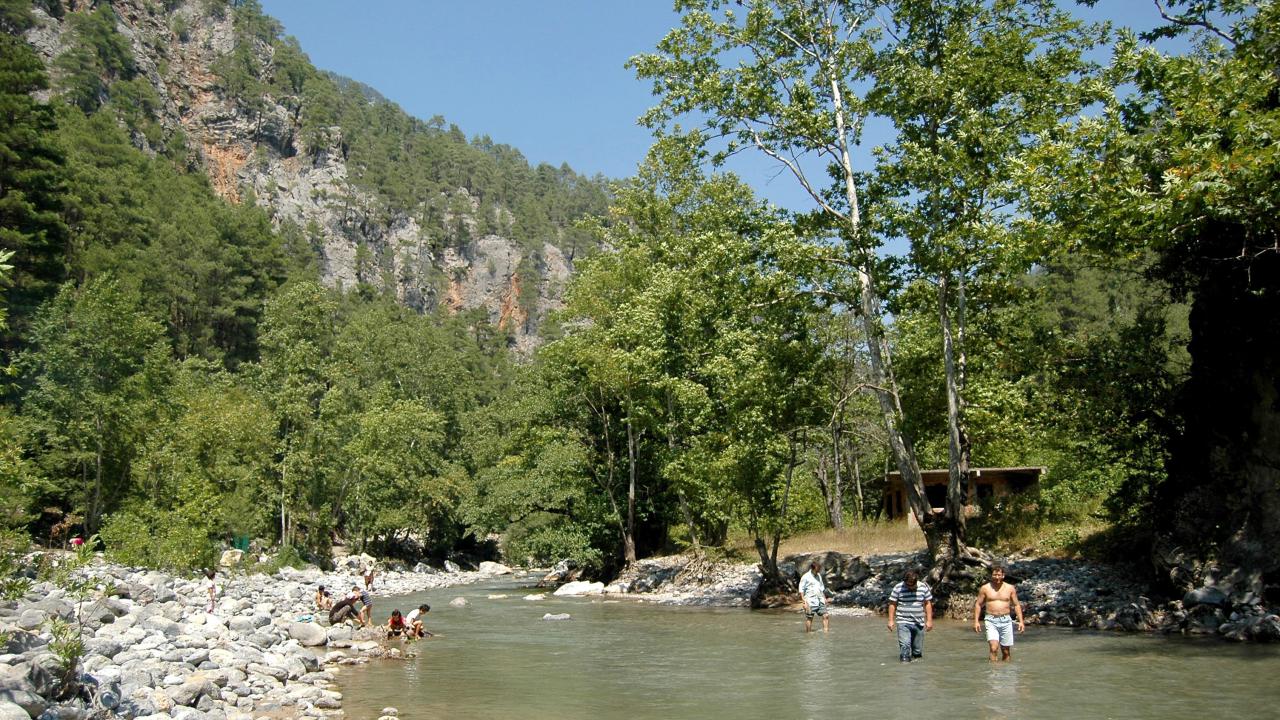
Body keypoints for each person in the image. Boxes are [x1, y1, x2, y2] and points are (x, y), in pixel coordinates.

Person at [973, 565, 1025, 662]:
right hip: (991, 620)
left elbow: (1016, 605)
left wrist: (1021, 621)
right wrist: (976, 621)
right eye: (995, 575)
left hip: (1006, 620)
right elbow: (978, 604)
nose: (997, 577)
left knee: (1005, 651)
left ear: (1003, 575)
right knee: (993, 648)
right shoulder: (985, 588)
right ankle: (993, 674)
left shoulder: (1010, 588)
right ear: (991, 575)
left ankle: (1005, 674)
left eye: (999, 575)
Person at [887, 568, 933, 662]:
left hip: (919, 622)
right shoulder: (898, 588)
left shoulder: (923, 587)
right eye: (908, 585)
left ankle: (917, 670)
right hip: (903, 621)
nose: (910, 587)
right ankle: (904, 667)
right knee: (905, 646)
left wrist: (929, 621)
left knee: (917, 651)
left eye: (913, 585)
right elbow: (892, 604)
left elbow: (927, 603)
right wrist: (891, 620)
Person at [798, 561, 831, 633]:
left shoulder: (819, 576)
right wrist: (804, 602)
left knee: (826, 615)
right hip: (810, 600)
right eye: (818, 568)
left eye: (819, 568)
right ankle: (808, 634)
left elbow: (821, 588)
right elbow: (801, 589)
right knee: (810, 618)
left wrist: (825, 599)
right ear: (813, 568)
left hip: (820, 599)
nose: (819, 570)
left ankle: (826, 632)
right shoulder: (805, 577)